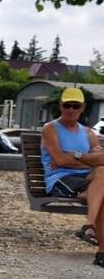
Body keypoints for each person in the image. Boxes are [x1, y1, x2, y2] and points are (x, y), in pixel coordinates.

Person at [41, 87, 104, 267]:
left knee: (102, 173)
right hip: (61, 179)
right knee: (102, 193)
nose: (71, 110)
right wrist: (87, 159)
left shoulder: (88, 133)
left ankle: (89, 226)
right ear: (60, 106)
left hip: (87, 178)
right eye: (67, 105)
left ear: (82, 108)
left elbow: (101, 160)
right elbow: (59, 160)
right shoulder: (50, 129)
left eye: (75, 106)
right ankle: (101, 253)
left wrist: (74, 156)